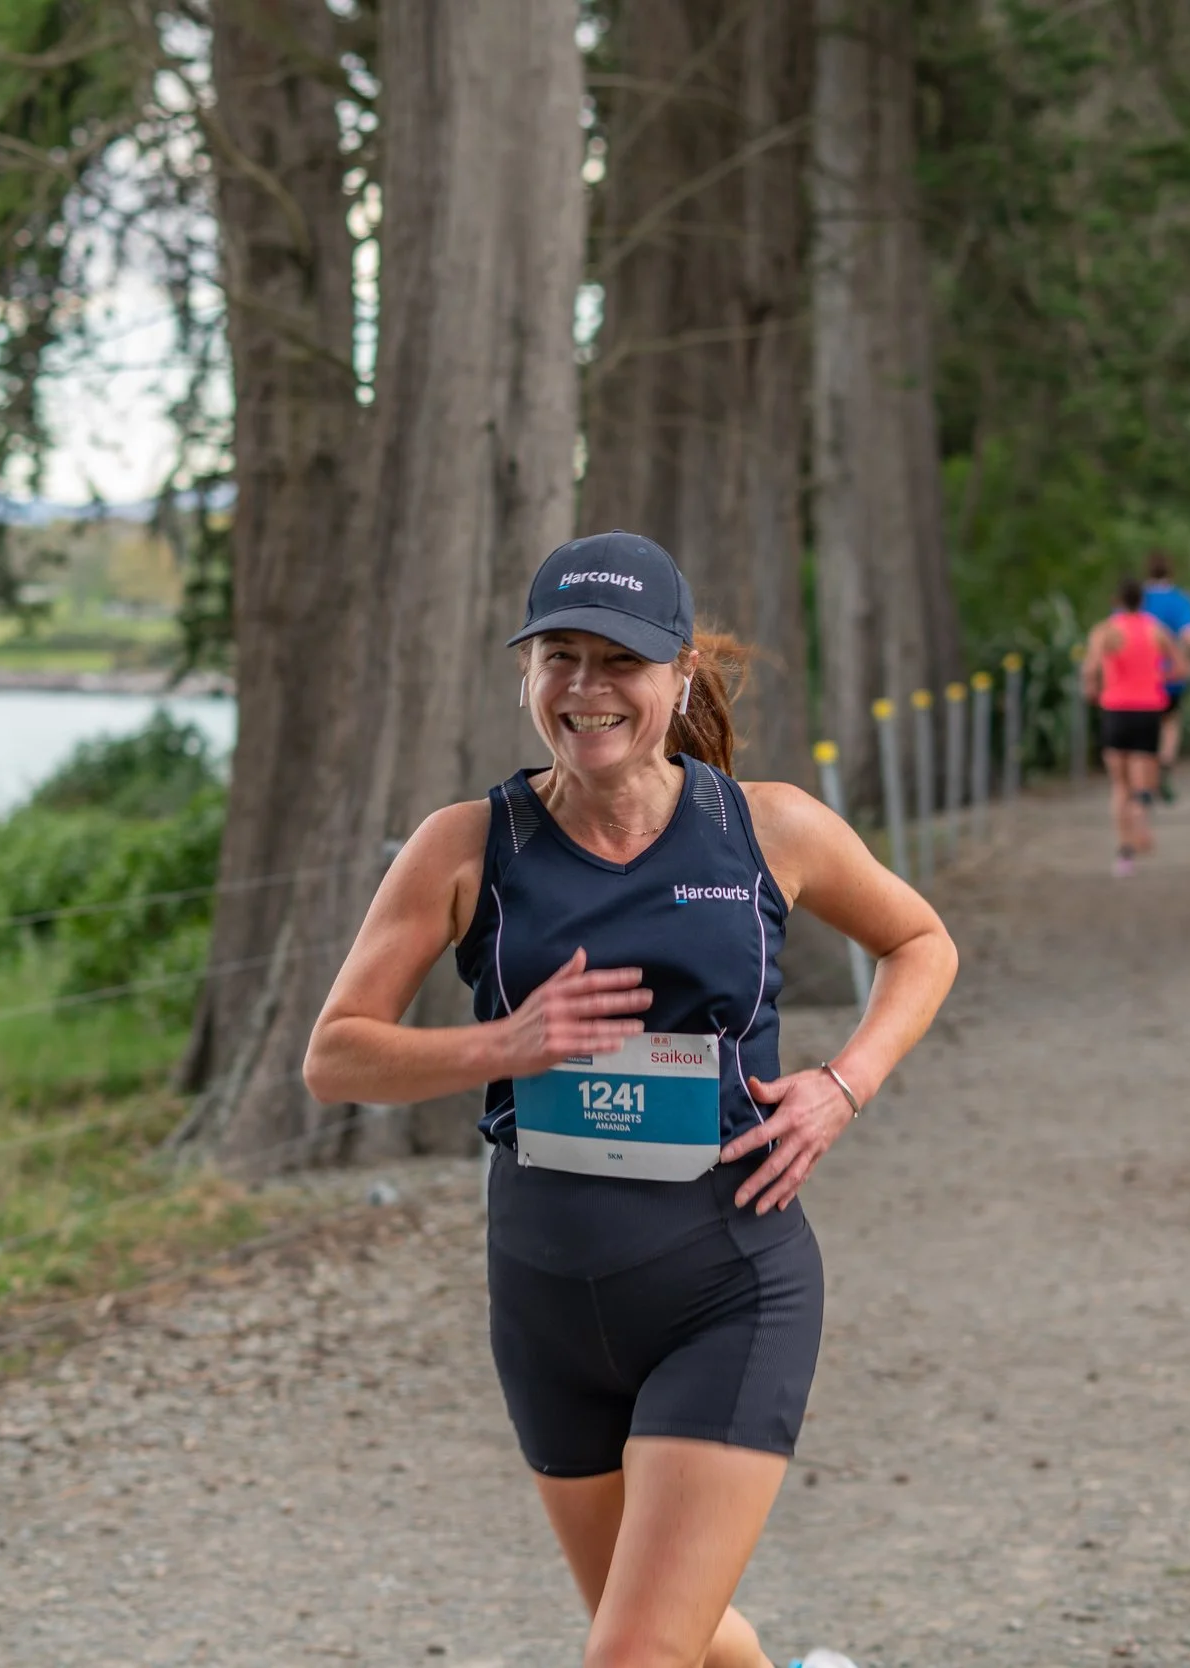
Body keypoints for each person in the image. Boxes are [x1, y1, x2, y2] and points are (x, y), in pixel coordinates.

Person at [303, 531, 957, 1668]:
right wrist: (501, 1044)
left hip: (727, 1281)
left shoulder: (767, 827)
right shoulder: (465, 846)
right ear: (525, 674)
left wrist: (844, 1086)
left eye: (621, 661)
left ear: (679, 677)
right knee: (667, 1633)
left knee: (632, 1655)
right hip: (546, 1302)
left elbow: (920, 941)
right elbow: (335, 1056)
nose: (587, 689)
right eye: (561, 656)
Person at [1082, 577, 1185, 877]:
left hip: (1115, 710)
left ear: (1116, 600)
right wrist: (1157, 680)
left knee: (1119, 785)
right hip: (1148, 710)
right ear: (1142, 600)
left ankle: (1124, 851)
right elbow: (1181, 667)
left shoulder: (1106, 632)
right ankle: (1143, 823)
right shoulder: (1155, 629)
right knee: (1142, 779)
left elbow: (1090, 670)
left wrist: (1096, 690)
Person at [1139, 552, 1190, 801]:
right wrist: (1184, 657)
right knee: (1170, 723)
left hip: (1140, 678)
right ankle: (1165, 764)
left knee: (1144, 729)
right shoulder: (1181, 599)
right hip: (1171, 676)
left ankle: (1145, 780)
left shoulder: (1137, 598)